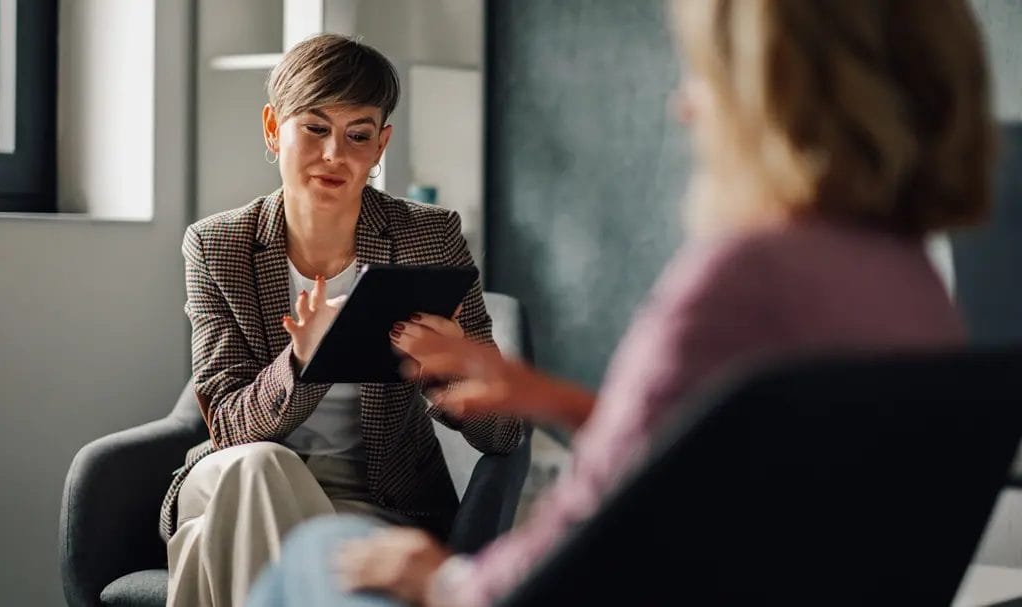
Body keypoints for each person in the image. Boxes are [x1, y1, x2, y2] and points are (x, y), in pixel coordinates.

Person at [247, 1, 995, 605]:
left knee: (318, 552)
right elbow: (721, 459)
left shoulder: (741, 281)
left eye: (706, 76)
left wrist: (440, 577)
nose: (683, 106)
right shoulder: (919, 291)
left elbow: (571, 541)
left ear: (777, 94)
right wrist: (556, 399)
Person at [161, 33, 522, 607]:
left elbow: (505, 434)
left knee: (210, 543)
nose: (335, 154)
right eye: (315, 128)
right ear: (273, 128)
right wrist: (304, 360)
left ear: (381, 145)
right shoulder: (217, 245)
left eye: (358, 135)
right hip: (231, 475)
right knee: (257, 465)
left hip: (376, 494)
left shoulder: (428, 237)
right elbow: (228, 427)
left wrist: (451, 369)